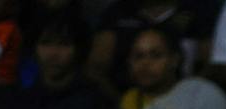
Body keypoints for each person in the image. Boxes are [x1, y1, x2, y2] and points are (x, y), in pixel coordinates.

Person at [89, 0, 218, 98]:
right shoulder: (117, 12)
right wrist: (121, 104)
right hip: (125, 99)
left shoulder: (199, 10)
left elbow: (212, 65)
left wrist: (187, 99)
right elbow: (96, 68)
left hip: (187, 99)